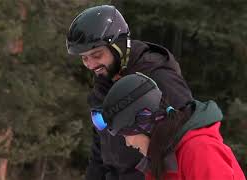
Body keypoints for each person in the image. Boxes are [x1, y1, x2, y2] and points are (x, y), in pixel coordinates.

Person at [66, 5, 193, 180]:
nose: (90, 64)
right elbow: (100, 149)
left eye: (96, 55)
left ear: (118, 46)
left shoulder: (159, 77)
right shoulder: (103, 84)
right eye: (84, 58)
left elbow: (188, 139)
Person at [98, 72, 245, 180]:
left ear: (143, 122)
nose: (128, 143)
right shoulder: (160, 160)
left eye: (126, 134)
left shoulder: (199, 150)